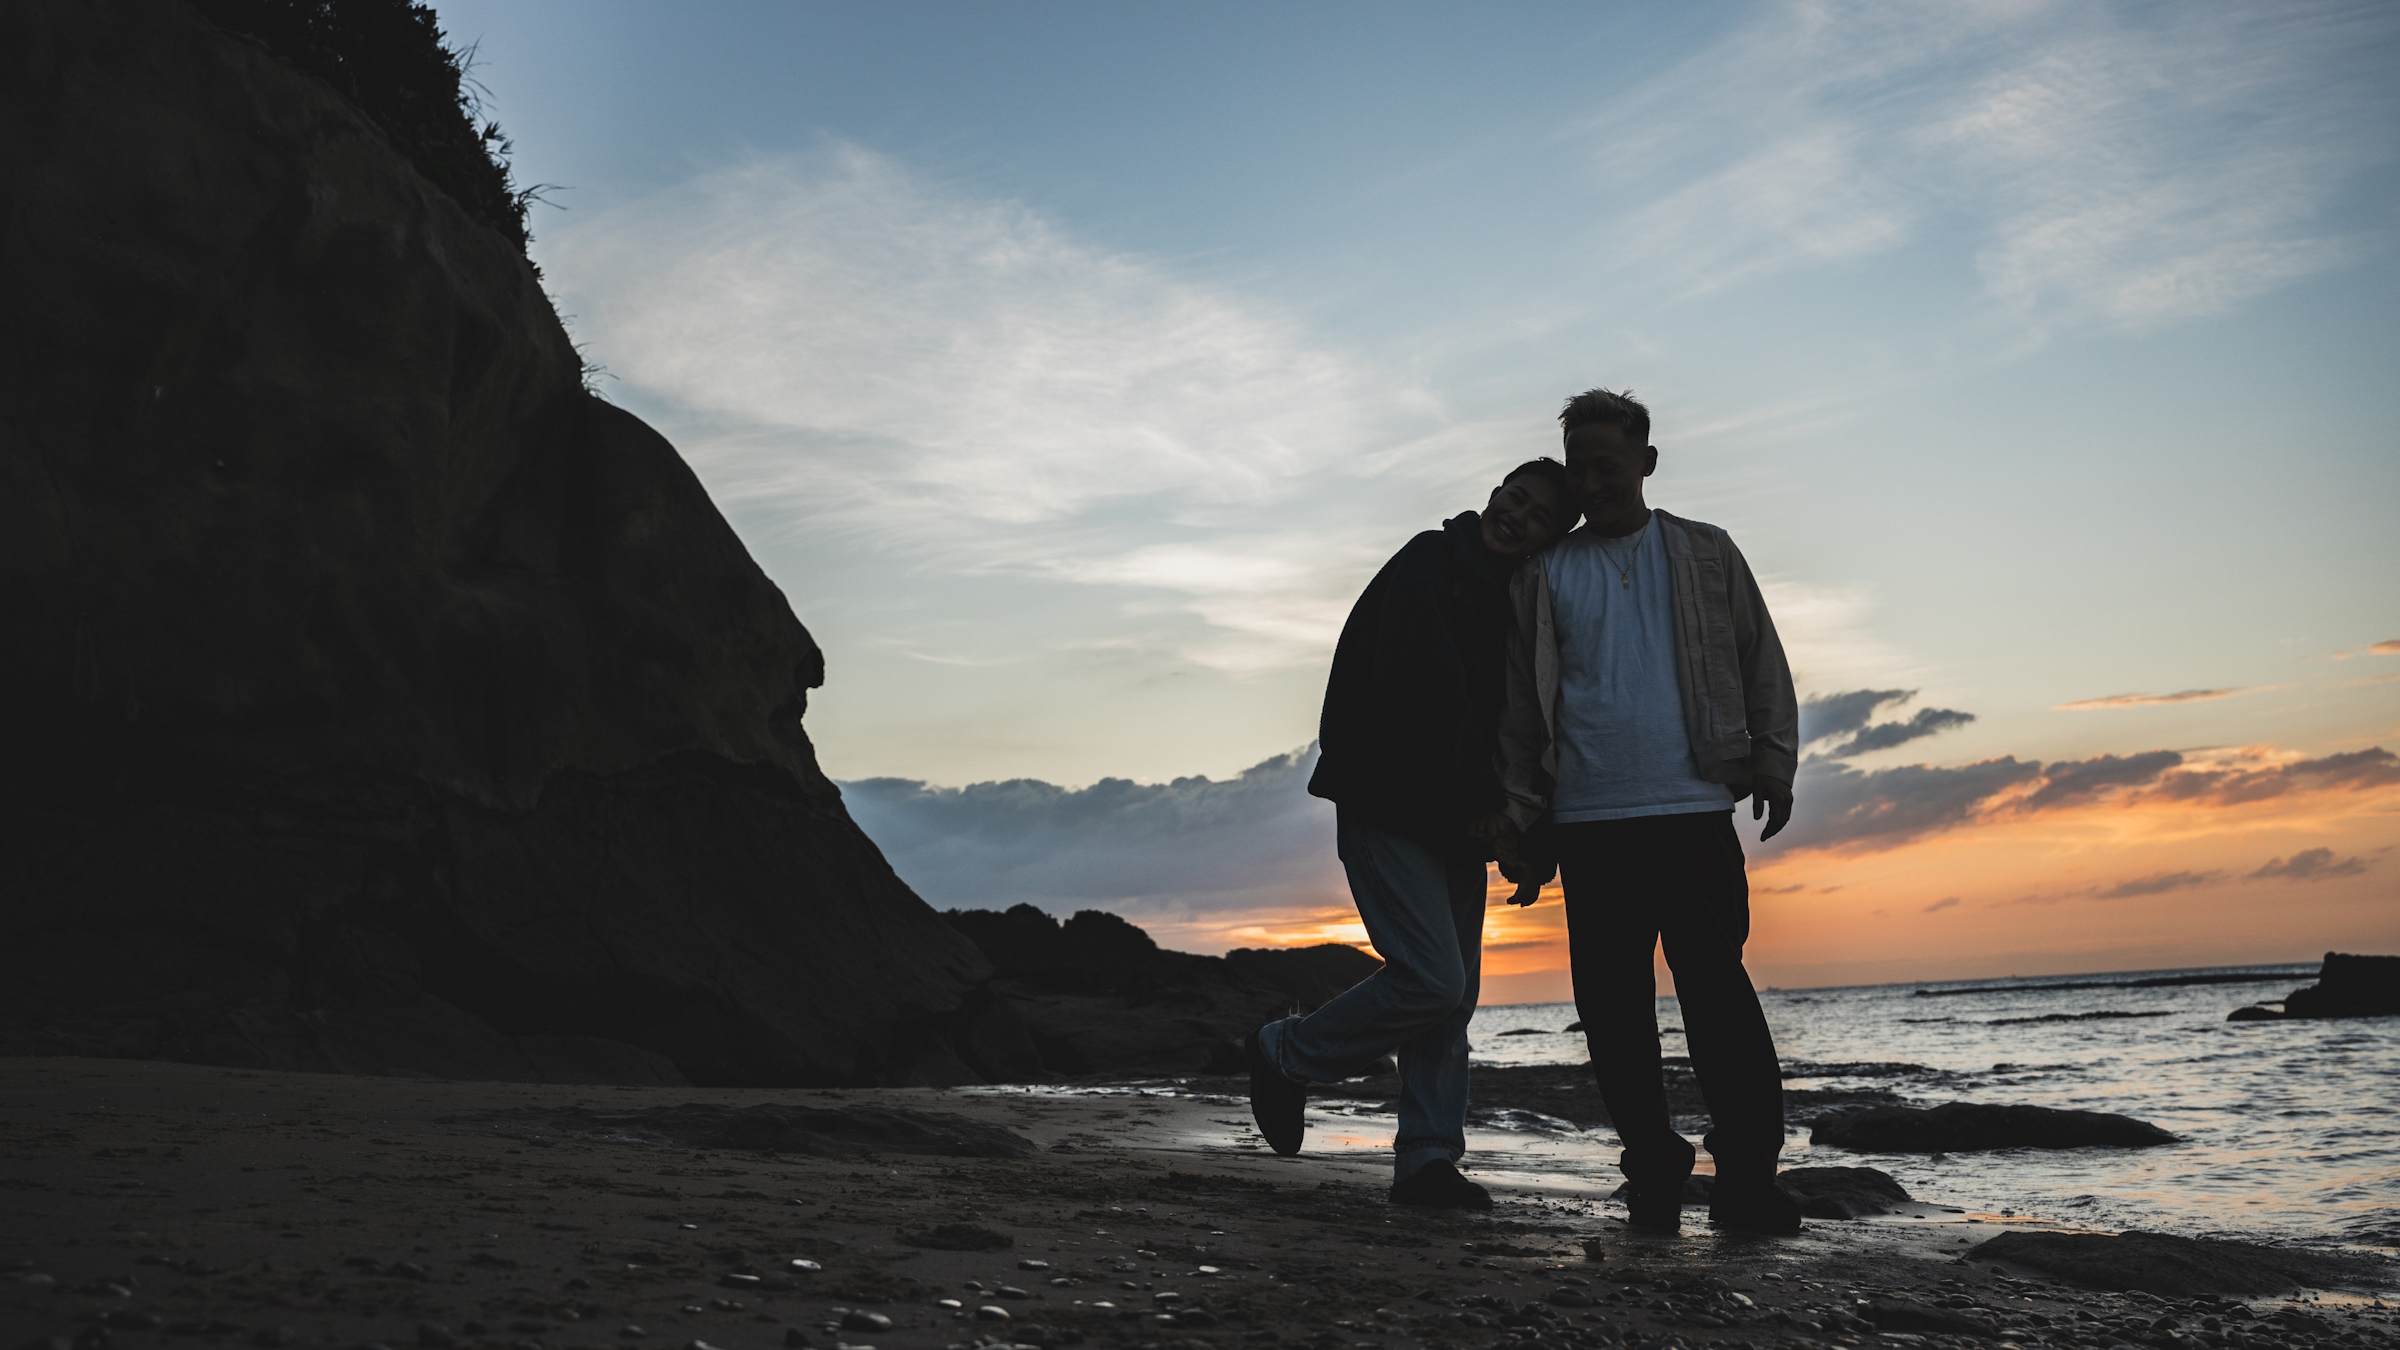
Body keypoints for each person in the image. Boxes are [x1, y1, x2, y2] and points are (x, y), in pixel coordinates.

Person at [1494, 388, 1803, 1235]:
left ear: (1645, 462)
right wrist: (1521, 818)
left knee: (1719, 1001)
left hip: (1695, 805)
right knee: (1614, 1011)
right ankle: (1656, 1172)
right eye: (1579, 466)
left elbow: (1761, 658)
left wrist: (1773, 760)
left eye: (1606, 463)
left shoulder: (1706, 552)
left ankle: (1748, 1177)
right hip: (1590, 822)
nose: (1591, 481)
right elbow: (1524, 710)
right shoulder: (1545, 574)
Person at [1246, 459, 1575, 1210]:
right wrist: (1487, 804)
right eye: (1514, 499)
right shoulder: (1430, 561)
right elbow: (1426, 693)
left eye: (1538, 517)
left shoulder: (1519, 604)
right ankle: (1282, 1051)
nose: (1518, 517)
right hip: (1386, 802)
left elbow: (1524, 727)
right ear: (1491, 493)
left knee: (1449, 1003)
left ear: (1548, 540)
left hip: (1457, 821)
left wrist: (1525, 831)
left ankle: (1428, 1160)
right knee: (1432, 977)